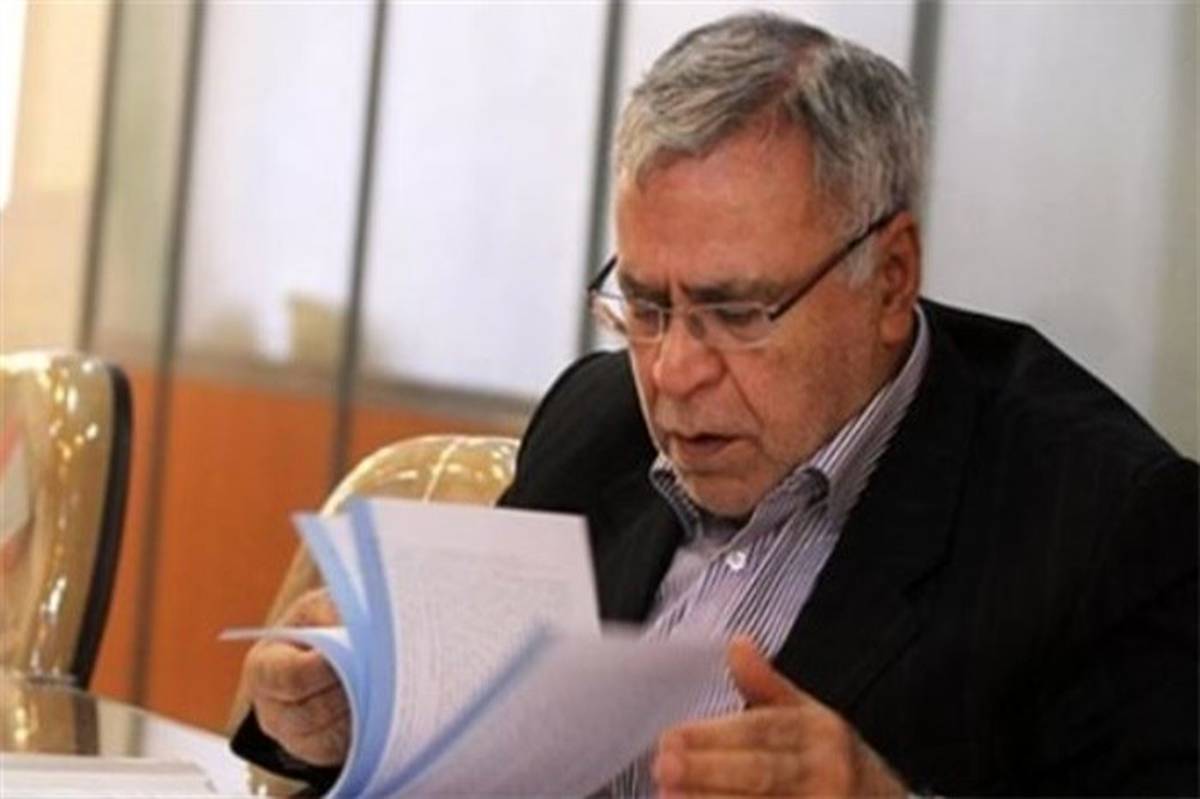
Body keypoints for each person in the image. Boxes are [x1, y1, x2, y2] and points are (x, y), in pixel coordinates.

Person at [232, 12, 1198, 796]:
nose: (673, 372)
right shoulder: (594, 421)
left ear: (892, 277)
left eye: (736, 313)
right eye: (646, 305)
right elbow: (472, 742)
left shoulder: (1105, 522)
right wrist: (343, 720)